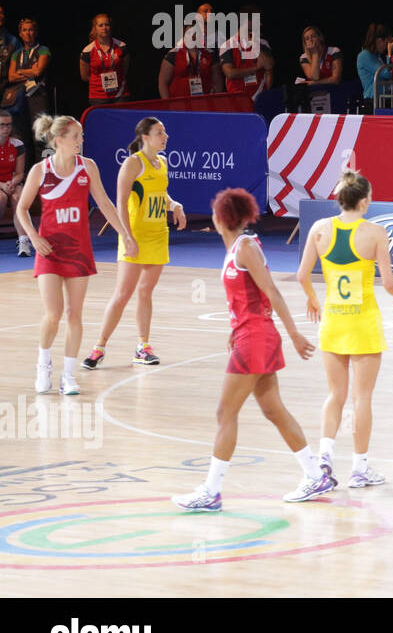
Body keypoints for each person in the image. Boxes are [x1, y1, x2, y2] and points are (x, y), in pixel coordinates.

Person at [171, 187, 333, 510]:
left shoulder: (245, 247)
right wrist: (235, 328)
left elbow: (272, 291)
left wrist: (294, 333)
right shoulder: (235, 248)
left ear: (220, 218)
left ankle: (211, 491)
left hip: (257, 338)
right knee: (273, 408)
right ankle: (314, 474)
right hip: (249, 335)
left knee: (225, 412)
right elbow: (247, 297)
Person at [296, 169, 393, 489]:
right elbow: (388, 283)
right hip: (363, 323)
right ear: (363, 201)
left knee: (335, 395)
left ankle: (324, 459)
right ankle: (359, 468)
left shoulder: (319, 229)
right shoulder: (375, 233)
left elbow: (303, 274)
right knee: (362, 398)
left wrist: (313, 301)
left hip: (333, 321)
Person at [14, 116, 135, 396]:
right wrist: (34, 237)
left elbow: (104, 203)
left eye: (81, 136)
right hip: (49, 250)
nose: (81, 140)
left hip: (78, 251)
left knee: (74, 315)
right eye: (76, 136)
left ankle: (68, 376)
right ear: (59, 140)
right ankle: (43, 364)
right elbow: (21, 209)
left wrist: (125, 235)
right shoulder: (40, 170)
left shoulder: (87, 167)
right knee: (53, 314)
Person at [80, 118, 185, 371]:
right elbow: (121, 202)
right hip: (135, 236)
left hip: (159, 235)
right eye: (160, 132)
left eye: (165, 132)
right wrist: (127, 237)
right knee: (122, 294)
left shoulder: (162, 162)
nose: (165, 136)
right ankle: (99, 347)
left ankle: (143, 347)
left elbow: (159, 194)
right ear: (145, 137)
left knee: (146, 292)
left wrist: (175, 205)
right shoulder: (132, 164)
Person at [159, 3, 224, 99]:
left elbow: (218, 81)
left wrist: (216, 102)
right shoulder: (173, 54)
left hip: (205, 103)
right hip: (179, 106)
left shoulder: (210, 54)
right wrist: (169, 105)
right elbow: (163, 82)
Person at [8, 18, 51, 146]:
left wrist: (19, 72)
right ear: (20, 34)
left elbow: (38, 72)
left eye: (31, 30)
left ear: (35, 32)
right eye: (24, 30)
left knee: (40, 136)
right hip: (20, 97)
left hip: (38, 97)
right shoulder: (17, 54)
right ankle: (24, 166)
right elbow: (11, 77)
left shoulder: (43, 50)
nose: (28, 33)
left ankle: (42, 166)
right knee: (20, 136)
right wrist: (29, 71)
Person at [219, 7, 274, 100]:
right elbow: (230, 73)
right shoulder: (227, 45)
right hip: (238, 98)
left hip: (260, 97)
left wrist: (254, 42)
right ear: (246, 22)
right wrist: (256, 68)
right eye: (257, 21)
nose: (260, 24)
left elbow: (269, 66)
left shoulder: (263, 43)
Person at [81, 13, 129, 103]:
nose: (104, 28)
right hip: (97, 96)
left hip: (120, 94)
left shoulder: (121, 46)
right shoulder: (87, 51)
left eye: (107, 24)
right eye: (100, 25)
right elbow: (85, 76)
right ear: (95, 28)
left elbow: (124, 69)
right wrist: (99, 83)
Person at [0, 112, 28, 255]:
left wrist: (11, 183)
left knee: (18, 198)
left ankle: (23, 241)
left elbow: (20, 173)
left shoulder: (18, 145)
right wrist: (2, 186)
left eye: (8, 125)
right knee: (1, 199)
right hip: (0, 185)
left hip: (12, 182)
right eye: (2, 125)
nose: (6, 128)